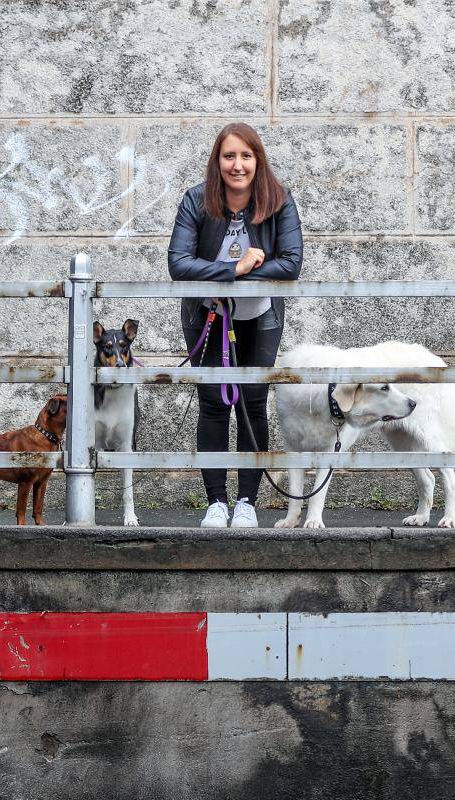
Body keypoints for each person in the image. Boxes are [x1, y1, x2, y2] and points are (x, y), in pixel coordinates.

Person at [166, 122, 303, 528]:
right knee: (212, 403)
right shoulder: (196, 200)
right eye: (229, 156)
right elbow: (178, 263)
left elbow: (291, 261)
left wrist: (238, 278)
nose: (237, 165)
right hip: (208, 314)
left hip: (259, 316)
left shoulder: (278, 200)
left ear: (257, 160)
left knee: (252, 402)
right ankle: (215, 503)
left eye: (245, 156)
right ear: (217, 160)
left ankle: (246, 501)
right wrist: (234, 267)